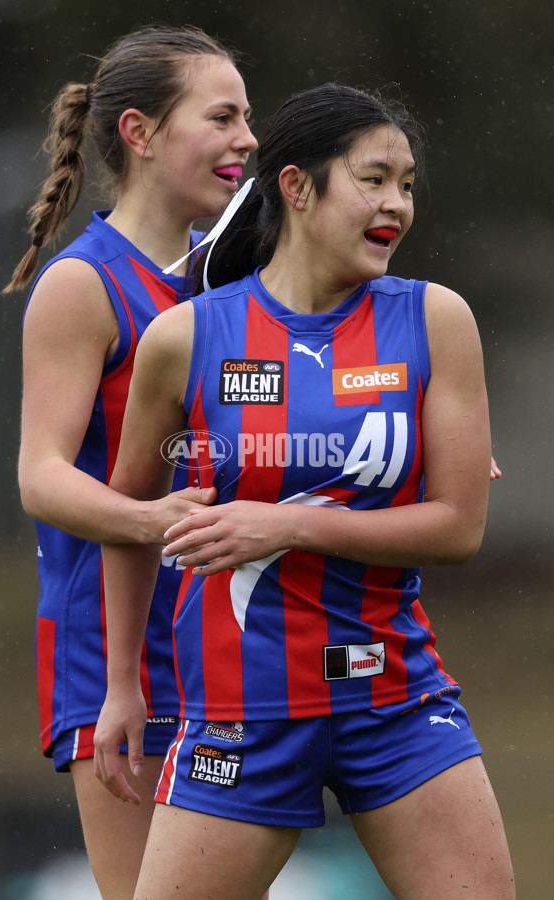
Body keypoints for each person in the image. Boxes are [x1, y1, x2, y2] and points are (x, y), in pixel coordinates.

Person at [94, 82, 515, 899]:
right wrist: (122, 685)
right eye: (374, 178)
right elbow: (129, 520)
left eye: (407, 184)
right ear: (295, 186)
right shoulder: (186, 338)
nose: (397, 203)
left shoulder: (436, 321)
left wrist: (285, 525)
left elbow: (459, 529)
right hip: (235, 714)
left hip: (396, 701)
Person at [4, 24, 257, 899]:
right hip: (116, 657)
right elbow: (41, 474)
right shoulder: (85, 283)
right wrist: (155, 520)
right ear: (141, 134)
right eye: (221, 117)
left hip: (226, 642)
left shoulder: (234, 281)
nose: (248, 141)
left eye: (248, 119)